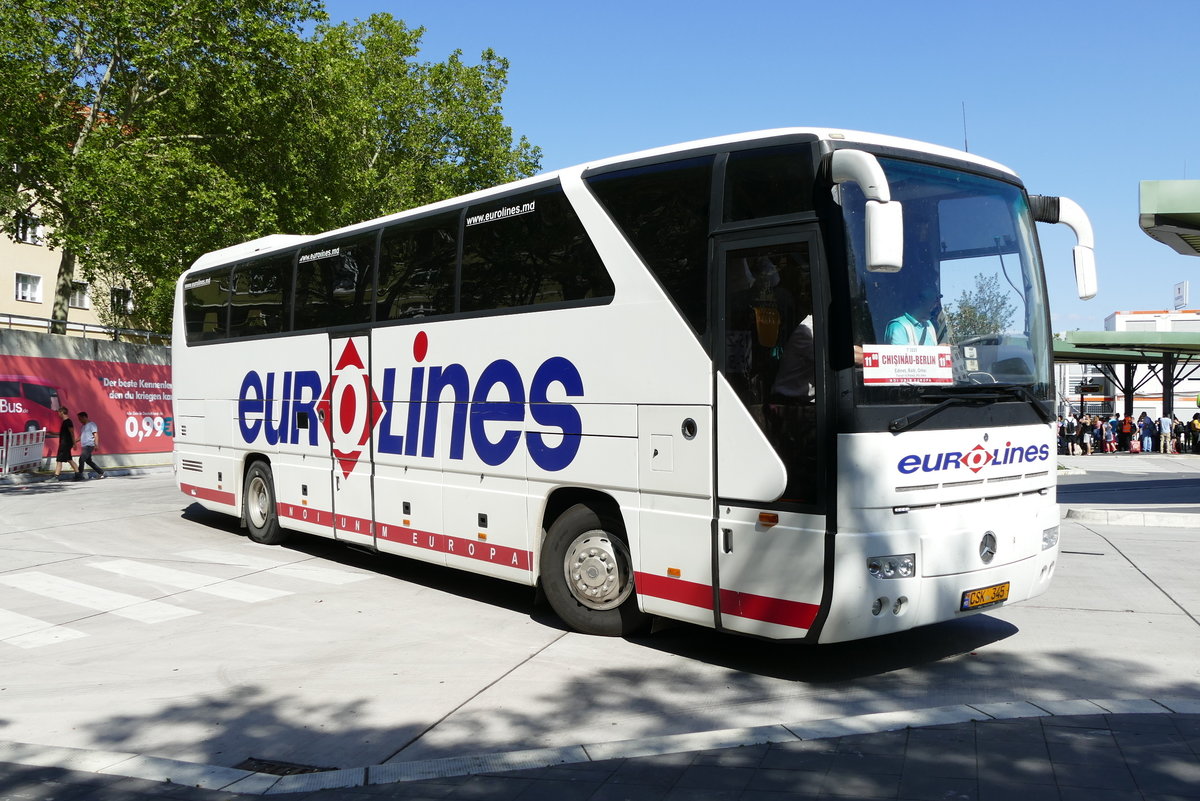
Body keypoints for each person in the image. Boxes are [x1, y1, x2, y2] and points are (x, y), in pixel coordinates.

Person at [75, 411, 106, 480]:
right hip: (84, 446)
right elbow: (81, 436)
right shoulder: (83, 427)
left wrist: (96, 444)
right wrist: (74, 441)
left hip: (89, 445)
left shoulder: (92, 424)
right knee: (88, 461)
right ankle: (101, 472)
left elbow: (95, 434)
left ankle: (79, 475)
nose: (79, 420)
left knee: (81, 459)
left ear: (84, 417)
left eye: (80, 419)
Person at [51, 406, 80, 480]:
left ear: (62, 412)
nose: (58, 414)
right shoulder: (64, 422)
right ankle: (78, 474)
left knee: (59, 460)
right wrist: (52, 433)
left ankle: (56, 476)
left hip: (65, 444)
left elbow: (72, 433)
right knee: (69, 459)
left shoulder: (68, 422)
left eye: (59, 413)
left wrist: (74, 443)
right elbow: (62, 433)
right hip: (65, 443)